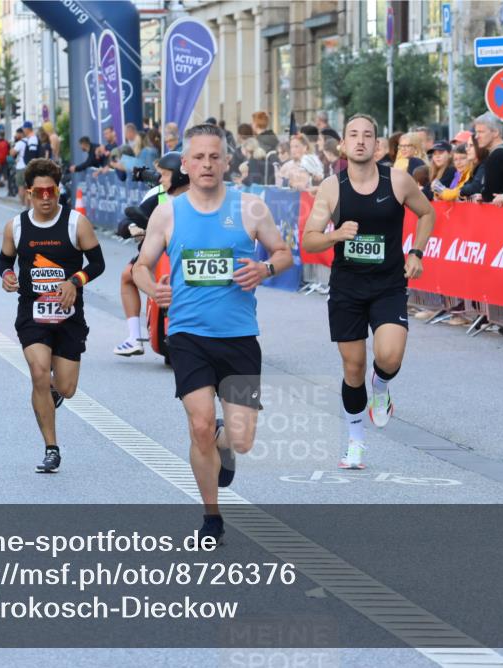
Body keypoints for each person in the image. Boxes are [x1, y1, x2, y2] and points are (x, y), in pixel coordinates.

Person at [133, 123, 292, 543]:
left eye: (214, 157)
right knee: (199, 425)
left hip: (239, 336)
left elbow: (283, 252)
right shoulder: (167, 211)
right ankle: (211, 516)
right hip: (187, 335)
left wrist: (266, 268)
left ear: (226, 162)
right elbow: (140, 266)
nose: (206, 164)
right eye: (198, 157)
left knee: (241, 442)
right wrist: (153, 289)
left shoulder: (251, 208)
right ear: (185, 164)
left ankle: (226, 437)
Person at [301, 113, 436, 470]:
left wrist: (416, 253)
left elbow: (427, 214)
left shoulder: (398, 180)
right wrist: (334, 234)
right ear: (343, 144)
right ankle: (355, 441)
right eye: (353, 135)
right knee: (353, 368)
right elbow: (309, 239)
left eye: (368, 136)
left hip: (388, 284)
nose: (360, 141)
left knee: (389, 357)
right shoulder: (332, 187)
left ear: (378, 145)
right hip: (347, 288)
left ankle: (383, 385)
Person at [0, 158, 105, 472]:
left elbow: (97, 264)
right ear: (28, 193)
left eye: (52, 191)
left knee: (67, 388)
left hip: (69, 316)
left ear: (58, 190)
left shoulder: (76, 223)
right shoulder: (16, 226)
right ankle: (51, 448)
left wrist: (76, 280)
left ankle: (51, 395)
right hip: (32, 313)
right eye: (39, 192)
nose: (46, 198)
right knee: (39, 373)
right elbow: (4, 261)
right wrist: (6, 275)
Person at [114, 151, 190, 356]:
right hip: (160, 255)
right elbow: (125, 221)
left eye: (165, 175)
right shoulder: (158, 195)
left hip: (192, 255)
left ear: (179, 175)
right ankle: (134, 337)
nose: (161, 179)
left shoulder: (201, 195)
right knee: (127, 275)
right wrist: (131, 228)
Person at [472, 112, 503, 202]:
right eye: (476, 132)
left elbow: (490, 195)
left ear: (495, 132)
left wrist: (484, 195)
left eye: (481, 132)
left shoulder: (497, 156)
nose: (476, 137)